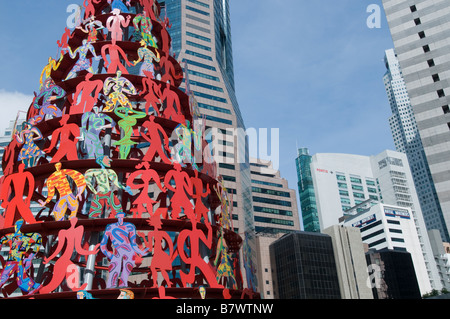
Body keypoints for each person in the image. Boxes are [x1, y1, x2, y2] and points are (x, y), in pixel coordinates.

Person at [40, 217, 100, 294]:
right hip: (62, 261)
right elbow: (58, 249)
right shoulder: (63, 232)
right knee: (54, 284)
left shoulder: (78, 230)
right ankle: (40, 291)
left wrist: (91, 252)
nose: (74, 221)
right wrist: (49, 259)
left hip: (66, 261)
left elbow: (79, 249)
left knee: (73, 269)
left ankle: (75, 289)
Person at [100, 211, 149, 288]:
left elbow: (133, 243)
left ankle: (122, 286)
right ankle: (111, 287)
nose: (120, 217)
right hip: (118, 250)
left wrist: (140, 251)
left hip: (129, 251)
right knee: (115, 269)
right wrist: (109, 254)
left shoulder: (130, 227)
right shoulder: (110, 227)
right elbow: (103, 244)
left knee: (126, 269)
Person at [0, 220, 42, 296]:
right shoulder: (13, 236)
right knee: (21, 279)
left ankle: (36, 286)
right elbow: (2, 239)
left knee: (5, 277)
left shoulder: (26, 237)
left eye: (19, 225)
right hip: (15, 261)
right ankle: (36, 286)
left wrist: (30, 257)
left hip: (14, 261)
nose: (17, 227)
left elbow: (38, 237)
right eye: (17, 225)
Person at [0, 163, 39, 228]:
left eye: (23, 166)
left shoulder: (26, 174)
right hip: (17, 198)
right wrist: (4, 200)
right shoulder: (13, 176)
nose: (21, 167)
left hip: (18, 198)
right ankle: (32, 222)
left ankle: (32, 222)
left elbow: (31, 184)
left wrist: (29, 197)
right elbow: (5, 186)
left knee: (22, 209)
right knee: (14, 210)